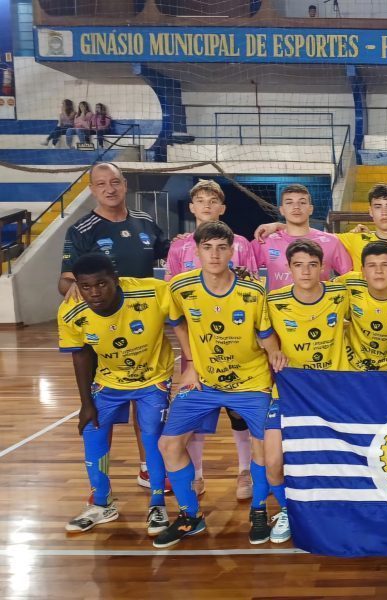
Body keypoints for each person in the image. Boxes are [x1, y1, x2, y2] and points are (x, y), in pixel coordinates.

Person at [156, 221, 280, 548]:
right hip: (205, 382)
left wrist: (278, 366)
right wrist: (192, 363)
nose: (214, 254)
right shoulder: (181, 287)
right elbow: (176, 322)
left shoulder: (252, 291)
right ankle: (189, 515)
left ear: (232, 250)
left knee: (262, 449)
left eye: (221, 247)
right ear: (196, 251)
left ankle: (258, 510)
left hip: (251, 381)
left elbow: (267, 336)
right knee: (168, 445)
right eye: (207, 247)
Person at [59, 162, 170, 490]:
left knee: (147, 402)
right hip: (104, 334)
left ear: (125, 185)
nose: (110, 188)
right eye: (101, 184)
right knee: (99, 407)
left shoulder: (146, 222)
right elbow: (66, 281)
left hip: (143, 325)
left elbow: (171, 255)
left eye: (115, 182)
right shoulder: (81, 230)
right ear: (92, 189)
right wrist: (81, 294)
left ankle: (147, 467)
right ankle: (99, 489)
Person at [59, 254, 180, 536]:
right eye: (86, 286)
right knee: (92, 432)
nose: (94, 292)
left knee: (151, 436)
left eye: (101, 284)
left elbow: (187, 295)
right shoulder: (71, 311)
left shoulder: (151, 290)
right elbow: (80, 356)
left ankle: (157, 504)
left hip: (153, 378)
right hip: (108, 381)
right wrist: (85, 403)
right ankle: (102, 503)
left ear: (115, 279)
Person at [165, 179, 259, 500]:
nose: (206, 205)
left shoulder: (242, 245)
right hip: (196, 348)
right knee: (196, 415)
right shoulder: (178, 247)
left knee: (239, 416)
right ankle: (197, 474)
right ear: (191, 207)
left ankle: (245, 471)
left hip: (238, 347)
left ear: (222, 208)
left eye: (213, 200)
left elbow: (253, 289)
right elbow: (173, 303)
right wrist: (187, 358)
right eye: (200, 200)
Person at [264, 238, 350, 542]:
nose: (306, 271)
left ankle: (340, 509)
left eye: (313, 265)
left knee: (339, 460)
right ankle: (288, 509)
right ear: (288, 268)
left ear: (323, 268)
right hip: (291, 393)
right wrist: (274, 349)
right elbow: (262, 334)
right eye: (298, 265)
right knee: (273, 463)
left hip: (335, 393)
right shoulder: (273, 301)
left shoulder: (342, 293)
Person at [251, 184, 352, 291]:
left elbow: (350, 279)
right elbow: (242, 271)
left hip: (321, 306)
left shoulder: (331, 241)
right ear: (281, 210)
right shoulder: (265, 241)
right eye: (289, 202)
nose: (296, 207)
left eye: (302, 202)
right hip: (279, 307)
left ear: (311, 209)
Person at [338, 241, 387, 371]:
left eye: (385, 265)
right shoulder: (347, 283)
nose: (379, 271)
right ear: (363, 271)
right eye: (372, 265)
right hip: (353, 369)